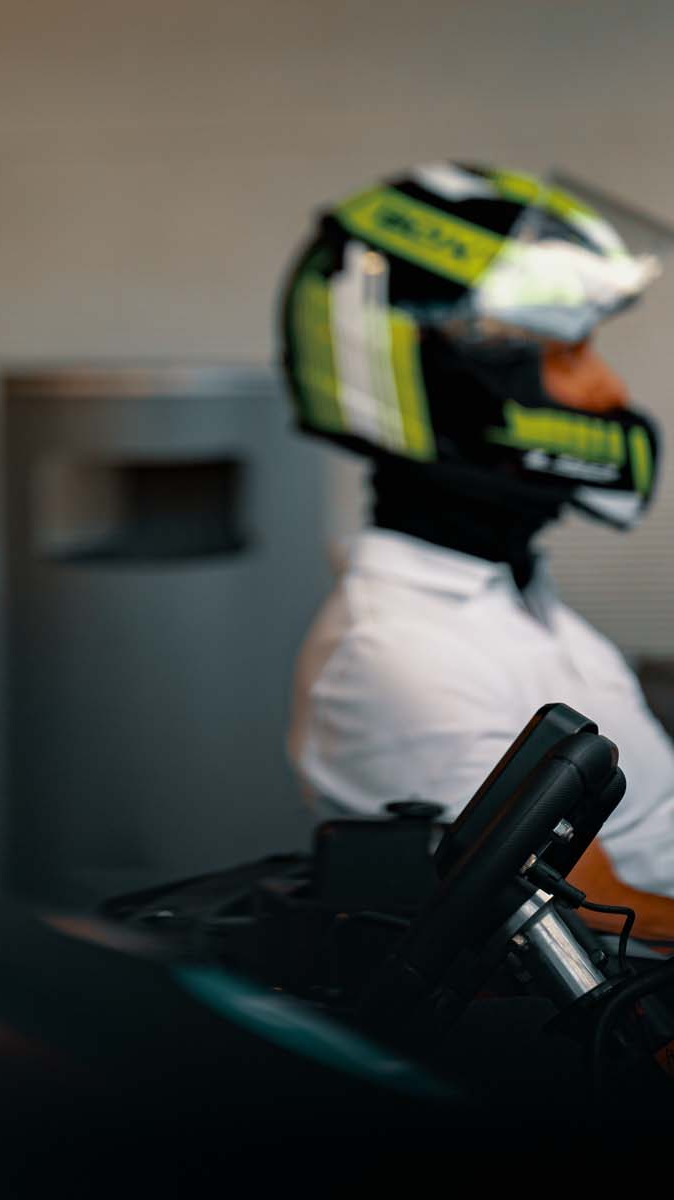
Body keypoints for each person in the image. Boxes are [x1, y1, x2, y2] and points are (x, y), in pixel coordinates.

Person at [279, 161, 674, 927]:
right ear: (462, 382)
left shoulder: (506, 596)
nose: (609, 391)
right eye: (566, 355)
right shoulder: (398, 656)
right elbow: (596, 930)